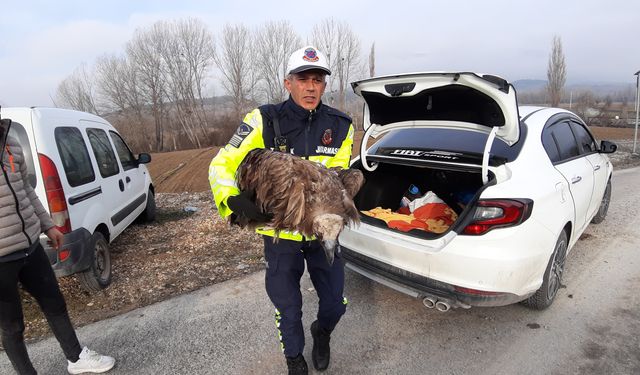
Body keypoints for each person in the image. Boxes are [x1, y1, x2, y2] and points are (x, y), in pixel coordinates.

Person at [209, 46, 355, 374]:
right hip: (279, 235)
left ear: (324, 86)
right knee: (289, 308)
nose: (311, 87)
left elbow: (338, 179)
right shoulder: (263, 120)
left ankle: (323, 332)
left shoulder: (342, 126)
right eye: (303, 79)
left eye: (317, 80)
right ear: (288, 83)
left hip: (320, 235)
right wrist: (230, 200)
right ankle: (294, 358)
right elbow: (222, 163)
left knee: (335, 304)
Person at [0, 116, 115, 375]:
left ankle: (76, 358)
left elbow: (26, 191)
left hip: (30, 244)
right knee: (12, 325)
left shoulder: (11, 142)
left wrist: (48, 225)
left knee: (54, 302)